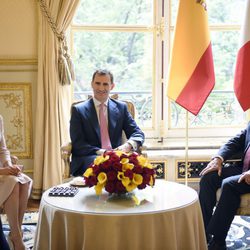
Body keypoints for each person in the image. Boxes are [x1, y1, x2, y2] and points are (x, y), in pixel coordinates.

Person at [70, 69, 145, 176]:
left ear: (112, 86)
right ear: (92, 84)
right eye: (97, 83)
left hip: (116, 158)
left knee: (133, 166)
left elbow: (137, 133)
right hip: (89, 158)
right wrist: (103, 153)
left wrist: (128, 145)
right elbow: (78, 145)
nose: (101, 88)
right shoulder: (78, 110)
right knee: (107, 164)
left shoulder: (121, 108)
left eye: (105, 84)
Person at [199, 123, 250, 250]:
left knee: (229, 184)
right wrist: (218, 158)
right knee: (208, 178)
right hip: (244, 169)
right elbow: (236, 141)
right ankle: (202, 233)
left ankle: (218, 241)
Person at [0, 115, 32, 250]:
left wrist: (8, 165)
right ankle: (17, 238)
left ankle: (15, 232)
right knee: (13, 182)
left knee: (23, 181)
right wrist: (2, 171)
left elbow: (3, 149)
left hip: (2, 169)